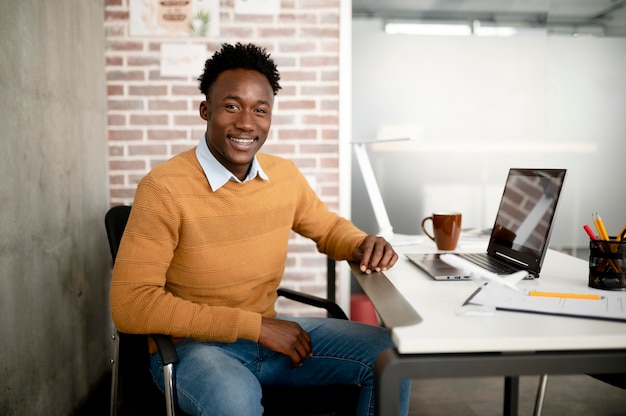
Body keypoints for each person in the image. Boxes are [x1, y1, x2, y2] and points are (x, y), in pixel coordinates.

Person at [110, 42, 410, 416]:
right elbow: (131, 305)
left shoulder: (283, 175)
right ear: (206, 110)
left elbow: (328, 228)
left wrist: (362, 243)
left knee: (388, 356)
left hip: (269, 337)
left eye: (260, 110)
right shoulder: (164, 188)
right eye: (231, 106)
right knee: (233, 403)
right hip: (194, 347)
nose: (246, 123)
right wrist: (256, 327)